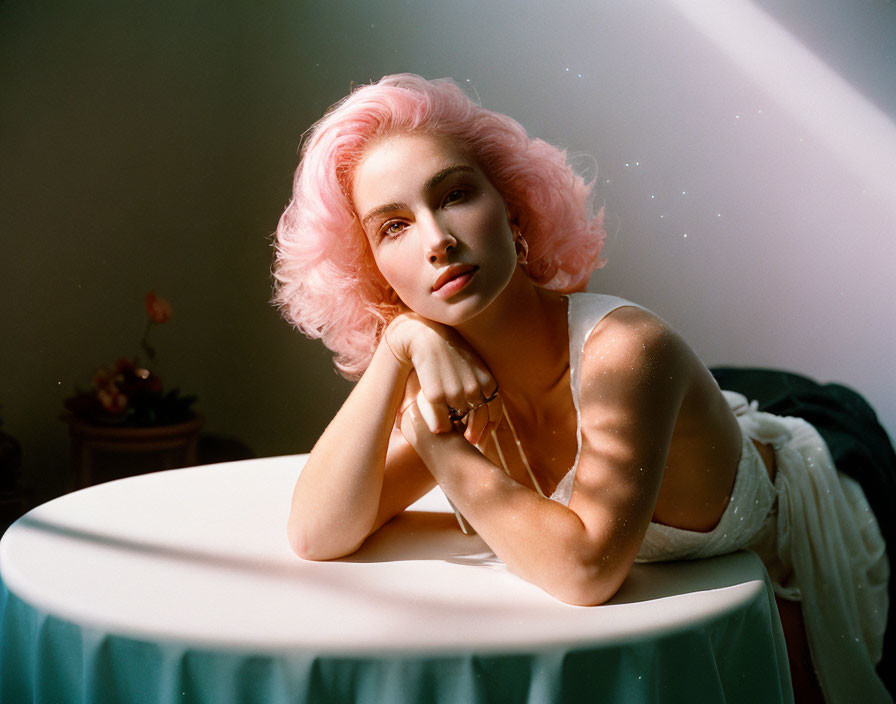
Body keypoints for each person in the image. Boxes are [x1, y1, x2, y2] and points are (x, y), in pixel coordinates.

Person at [273, 74, 890, 703]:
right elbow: (316, 533)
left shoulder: (627, 352)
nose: (438, 242)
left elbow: (584, 570)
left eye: (455, 195)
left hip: (831, 471)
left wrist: (439, 448)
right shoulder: (450, 369)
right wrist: (398, 346)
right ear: (375, 273)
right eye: (394, 227)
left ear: (511, 208)